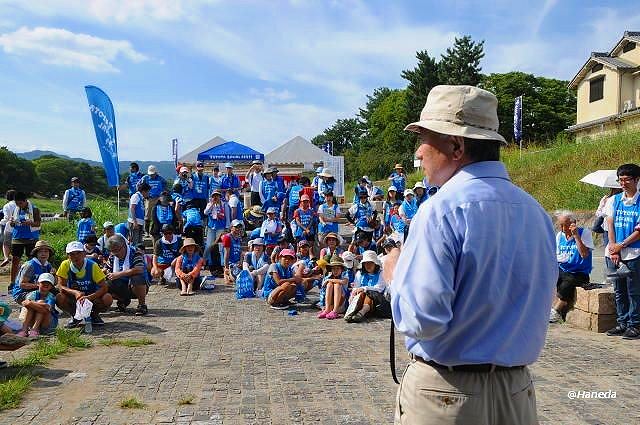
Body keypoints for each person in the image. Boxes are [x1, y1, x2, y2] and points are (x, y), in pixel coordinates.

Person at [389, 85, 557, 425]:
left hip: (446, 394)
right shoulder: (535, 212)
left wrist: (393, 277)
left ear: (456, 145)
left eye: (423, 138)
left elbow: (424, 320)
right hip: (516, 392)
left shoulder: (439, 210)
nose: (418, 153)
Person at [604, 163, 640, 339]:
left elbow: (639, 230)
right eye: (621, 180)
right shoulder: (614, 200)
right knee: (619, 290)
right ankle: (622, 322)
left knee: (634, 290)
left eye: (627, 179)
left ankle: (635, 325)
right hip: (614, 253)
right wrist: (613, 247)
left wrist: (622, 245)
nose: (623, 183)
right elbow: (610, 223)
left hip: (634, 253)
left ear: (636, 180)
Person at [549, 211, 594, 323]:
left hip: (579, 271)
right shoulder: (560, 236)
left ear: (573, 224)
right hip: (563, 268)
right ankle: (549, 308)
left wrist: (576, 237)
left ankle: (556, 310)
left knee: (568, 283)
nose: (562, 228)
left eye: (564, 225)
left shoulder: (584, 233)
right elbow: (557, 254)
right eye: (560, 225)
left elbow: (584, 254)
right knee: (550, 278)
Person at [57, 241, 113, 327]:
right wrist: (75, 293)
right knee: (59, 298)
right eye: (72, 254)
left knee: (107, 298)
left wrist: (89, 297)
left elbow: (104, 287)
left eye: (78, 253)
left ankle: (94, 315)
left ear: (84, 253)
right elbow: (60, 286)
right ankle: (75, 316)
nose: (76, 256)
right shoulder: (65, 265)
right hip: (74, 297)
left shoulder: (93, 265)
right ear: (68, 256)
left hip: (92, 297)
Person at [104, 234, 149, 315]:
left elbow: (139, 269)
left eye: (117, 250)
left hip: (136, 284)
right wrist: (105, 272)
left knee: (137, 278)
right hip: (121, 284)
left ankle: (142, 305)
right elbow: (106, 267)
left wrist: (118, 274)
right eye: (112, 251)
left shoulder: (135, 252)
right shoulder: (112, 256)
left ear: (124, 246)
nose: (115, 253)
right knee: (104, 284)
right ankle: (123, 300)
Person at [344, 250, 388, 323]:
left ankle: (361, 312)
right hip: (360, 298)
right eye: (366, 263)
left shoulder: (381, 273)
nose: (368, 265)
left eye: (370, 263)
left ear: (375, 264)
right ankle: (355, 311)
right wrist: (353, 293)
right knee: (361, 293)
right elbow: (356, 287)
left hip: (377, 301)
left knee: (367, 293)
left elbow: (379, 288)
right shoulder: (359, 274)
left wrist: (364, 288)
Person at [9, 192, 41, 284]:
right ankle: (12, 282)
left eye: (20, 203)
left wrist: (30, 223)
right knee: (15, 260)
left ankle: (28, 281)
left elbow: (38, 224)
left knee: (31, 261)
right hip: (17, 238)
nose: (19, 205)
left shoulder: (34, 209)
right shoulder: (16, 209)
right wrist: (12, 222)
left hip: (31, 238)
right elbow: (12, 224)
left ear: (25, 201)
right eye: (17, 203)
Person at [12, 240, 55, 306]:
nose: (43, 254)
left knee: (57, 294)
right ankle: (27, 310)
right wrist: (39, 285)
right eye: (40, 251)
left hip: (38, 290)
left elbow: (53, 283)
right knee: (41, 302)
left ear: (49, 253)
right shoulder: (30, 266)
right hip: (22, 293)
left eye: (46, 251)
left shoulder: (48, 265)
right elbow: (22, 284)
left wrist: (53, 275)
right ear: (36, 253)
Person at [16, 273, 58, 337]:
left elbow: (48, 308)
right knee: (31, 307)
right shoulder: (32, 294)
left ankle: (34, 329)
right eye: (43, 282)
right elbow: (25, 303)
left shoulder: (51, 296)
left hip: (47, 325)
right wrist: (32, 304)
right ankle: (25, 329)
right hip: (33, 320)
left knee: (38, 304)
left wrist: (31, 303)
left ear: (51, 286)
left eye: (48, 283)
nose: (46, 284)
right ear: (38, 283)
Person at [317, 256, 349, 320]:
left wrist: (329, 280)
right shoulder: (327, 277)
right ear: (331, 270)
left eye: (338, 268)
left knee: (337, 285)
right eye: (333, 269)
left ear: (341, 269)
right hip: (329, 304)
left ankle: (335, 311)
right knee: (329, 285)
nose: (335, 271)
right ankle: (327, 309)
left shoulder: (345, 276)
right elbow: (322, 292)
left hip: (340, 305)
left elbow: (343, 282)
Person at [140, 165, 168, 235]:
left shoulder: (161, 179)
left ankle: (157, 230)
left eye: (153, 174)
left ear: (156, 173)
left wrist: (163, 194)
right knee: (148, 215)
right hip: (149, 198)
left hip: (159, 198)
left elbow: (165, 184)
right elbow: (139, 186)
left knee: (158, 214)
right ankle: (146, 231)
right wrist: (143, 195)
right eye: (150, 174)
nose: (152, 175)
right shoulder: (145, 178)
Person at [204, 190, 227, 273]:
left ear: (220, 196)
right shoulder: (209, 204)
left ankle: (220, 264)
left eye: (217, 196)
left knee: (219, 246)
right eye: (214, 196)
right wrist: (212, 204)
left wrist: (227, 227)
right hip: (211, 227)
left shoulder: (224, 204)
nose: (215, 197)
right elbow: (205, 212)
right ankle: (206, 261)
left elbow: (227, 216)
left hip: (220, 227)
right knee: (209, 245)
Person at [222, 219, 244, 286]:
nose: (238, 229)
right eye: (236, 227)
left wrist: (240, 261)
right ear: (231, 227)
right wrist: (226, 267)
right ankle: (227, 274)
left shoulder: (239, 238)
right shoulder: (227, 237)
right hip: (231, 263)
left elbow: (240, 252)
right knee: (237, 280)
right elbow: (226, 253)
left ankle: (229, 275)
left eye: (239, 227)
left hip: (238, 263)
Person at [128, 182, 151, 247]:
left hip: (139, 222)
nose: (148, 193)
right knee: (134, 241)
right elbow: (132, 208)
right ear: (144, 191)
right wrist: (135, 222)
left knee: (139, 241)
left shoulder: (141, 198)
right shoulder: (136, 196)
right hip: (135, 222)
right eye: (148, 192)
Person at [0, 189, 16, 267]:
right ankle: (15, 261)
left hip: (9, 227)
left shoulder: (7, 205)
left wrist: (1, 222)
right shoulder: (21, 204)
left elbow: (6, 218)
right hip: (19, 228)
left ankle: (6, 257)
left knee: (6, 243)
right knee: (16, 245)